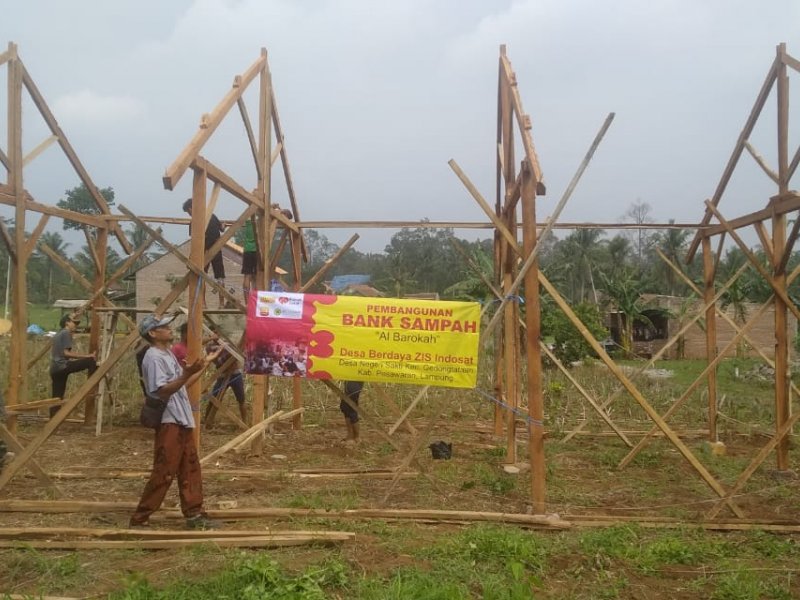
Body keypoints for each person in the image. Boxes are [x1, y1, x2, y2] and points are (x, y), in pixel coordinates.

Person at [129, 314, 221, 529]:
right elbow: (161, 390)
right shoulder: (153, 358)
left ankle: (194, 513)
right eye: (164, 327)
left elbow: (184, 382)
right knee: (165, 469)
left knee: (189, 466)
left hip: (181, 418)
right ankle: (140, 517)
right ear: (152, 333)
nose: (169, 329)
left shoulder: (167, 354)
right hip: (169, 419)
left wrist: (203, 366)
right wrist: (185, 374)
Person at [49, 313, 96, 417]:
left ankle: (53, 420)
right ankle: (93, 383)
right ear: (67, 323)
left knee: (57, 397)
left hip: (54, 369)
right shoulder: (66, 333)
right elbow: (66, 353)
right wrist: (87, 356)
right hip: (62, 366)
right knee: (90, 361)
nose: (75, 325)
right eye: (73, 322)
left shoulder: (59, 333)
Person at [183, 198, 226, 308]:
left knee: (203, 276)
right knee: (218, 277)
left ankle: (204, 303)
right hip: (214, 249)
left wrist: (192, 256)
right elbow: (221, 228)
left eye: (189, 212)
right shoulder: (211, 215)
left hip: (205, 251)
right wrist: (223, 226)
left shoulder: (195, 221)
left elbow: (194, 240)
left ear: (192, 208)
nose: (190, 215)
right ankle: (219, 303)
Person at [204, 333, 247, 427]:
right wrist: (224, 353)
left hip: (235, 374)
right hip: (222, 375)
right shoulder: (210, 347)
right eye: (213, 333)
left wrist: (230, 353)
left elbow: (237, 354)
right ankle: (207, 421)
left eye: (216, 333)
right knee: (214, 398)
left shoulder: (227, 343)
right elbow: (218, 361)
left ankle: (245, 423)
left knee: (241, 399)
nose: (215, 335)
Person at [241, 219, 257, 304]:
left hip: (248, 250)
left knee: (247, 276)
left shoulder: (248, 221)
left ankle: (247, 301)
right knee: (256, 277)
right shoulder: (262, 220)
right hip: (258, 251)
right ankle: (255, 301)